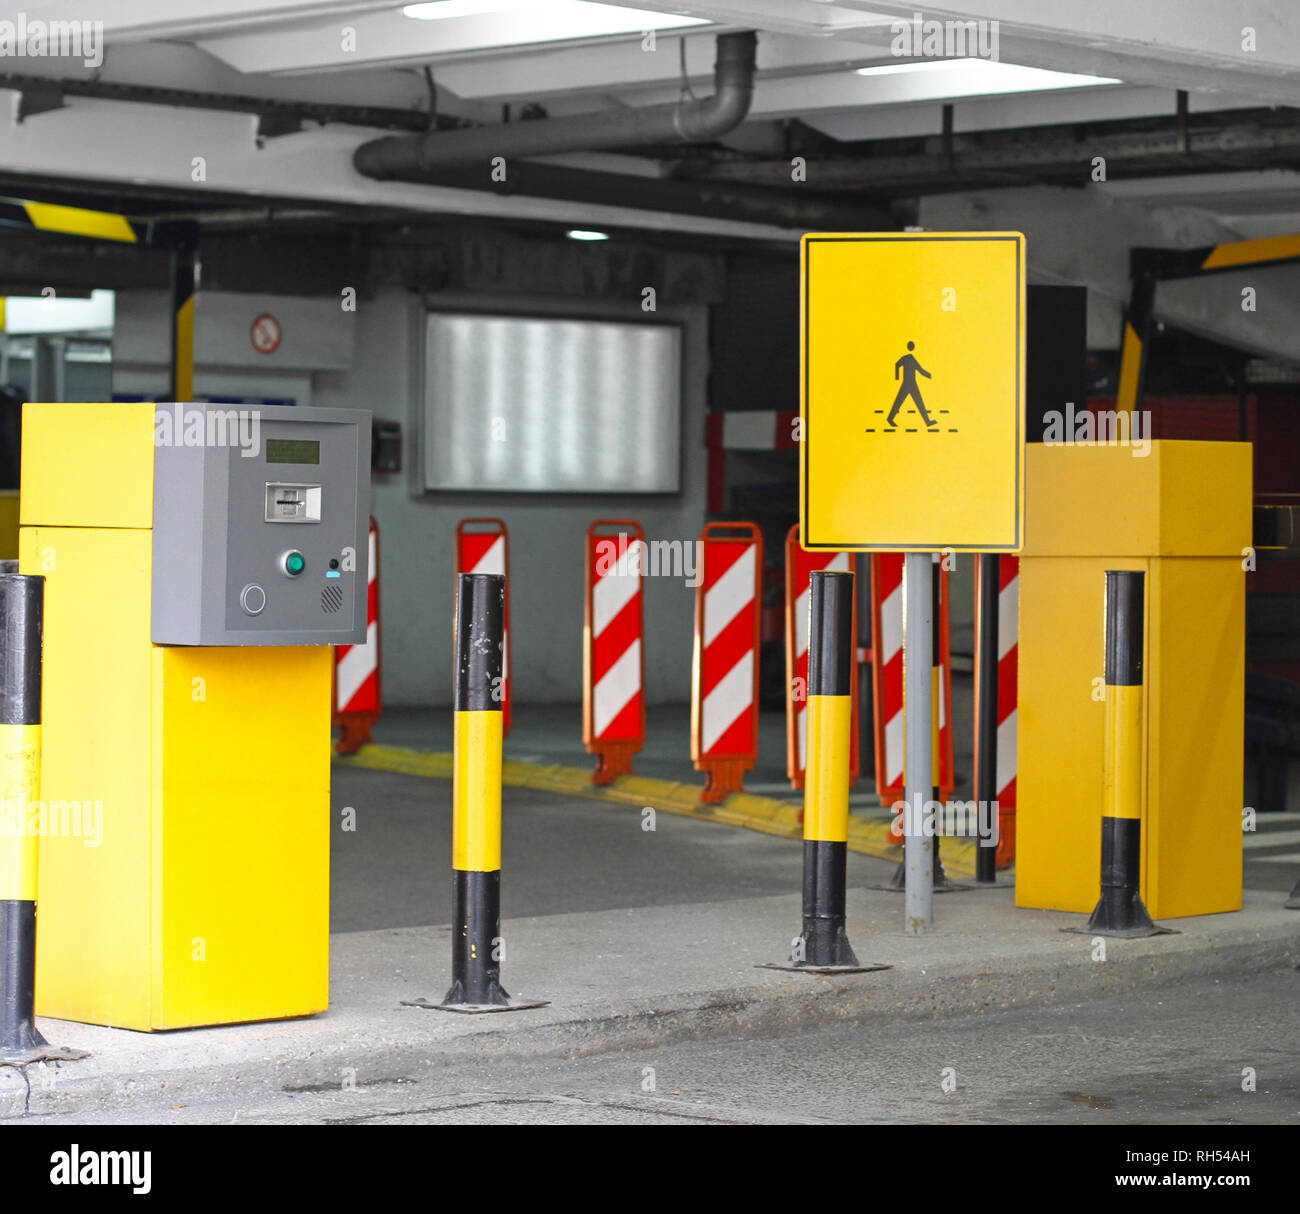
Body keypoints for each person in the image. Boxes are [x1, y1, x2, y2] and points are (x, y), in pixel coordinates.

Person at [886, 342, 936, 428]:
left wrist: (930, 376)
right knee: (901, 402)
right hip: (908, 384)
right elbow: (920, 370)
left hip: (911, 383)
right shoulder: (910, 358)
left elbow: (898, 365)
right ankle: (927, 422)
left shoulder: (908, 358)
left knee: (916, 402)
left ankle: (927, 422)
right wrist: (897, 377)